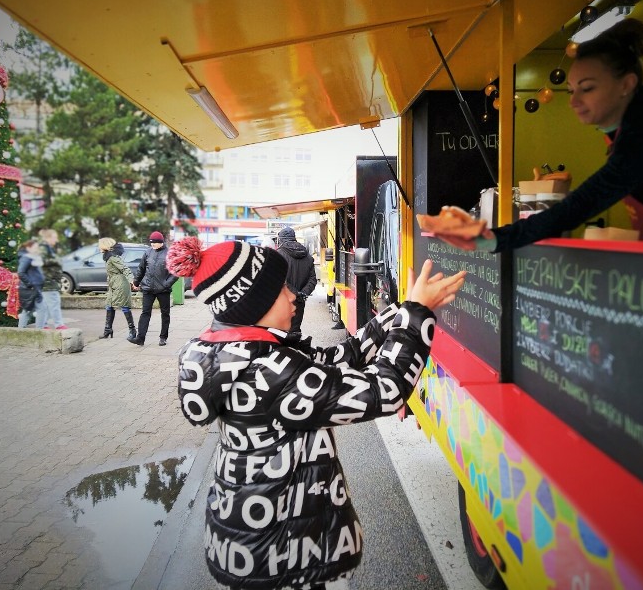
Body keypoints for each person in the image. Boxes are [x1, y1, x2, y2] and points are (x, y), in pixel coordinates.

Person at [166, 236, 466, 590]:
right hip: (287, 558)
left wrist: (400, 311)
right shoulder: (269, 373)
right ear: (252, 305)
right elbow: (386, 391)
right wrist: (417, 315)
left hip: (254, 545)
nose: (293, 295)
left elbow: (335, 360)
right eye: (280, 289)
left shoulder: (240, 354)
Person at [433, 18, 643, 253]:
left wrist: (492, 240)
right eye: (571, 89)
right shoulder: (632, 128)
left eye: (587, 88)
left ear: (626, 84)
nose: (574, 101)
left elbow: (582, 203)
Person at [128, 231, 177, 346]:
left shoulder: (169, 253)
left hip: (163, 290)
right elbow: (141, 269)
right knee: (145, 313)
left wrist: (166, 284)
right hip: (148, 288)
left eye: (155, 243)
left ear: (161, 242)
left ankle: (163, 337)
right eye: (151, 243)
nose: (152, 245)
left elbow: (176, 272)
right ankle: (140, 338)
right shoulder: (148, 252)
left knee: (165, 314)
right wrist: (136, 282)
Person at [275, 226, 317, 334]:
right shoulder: (307, 256)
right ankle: (295, 350)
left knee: (280, 333)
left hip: (282, 301)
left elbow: (278, 278)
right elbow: (313, 279)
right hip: (299, 302)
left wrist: (294, 293)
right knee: (295, 331)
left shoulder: (278, 255)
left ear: (281, 239)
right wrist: (303, 293)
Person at [97, 237, 137, 340]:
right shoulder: (107, 257)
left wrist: (132, 281)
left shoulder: (113, 257)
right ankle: (108, 330)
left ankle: (132, 331)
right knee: (109, 305)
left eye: (100, 246)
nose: (99, 248)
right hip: (113, 284)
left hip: (120, 284)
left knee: (124, 306)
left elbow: (124, 268)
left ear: (104, 246)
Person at [34, 229, 67, 330]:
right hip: (48, 281)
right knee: (54, 302)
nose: (56, 240)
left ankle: (43, 325)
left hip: (49, 280)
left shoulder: (48, 247)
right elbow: (42, 260)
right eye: (55, 237)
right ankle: (59, 324)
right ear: (48, 238)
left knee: (47, 305)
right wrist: (56, 260)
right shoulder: (43, 248)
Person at [16, 240, 44, 329]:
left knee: (27, 310)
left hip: (33, 288)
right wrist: (30, 284)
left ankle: (20, 330)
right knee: (41, 309)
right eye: (35, 247)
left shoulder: (32, 257)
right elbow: (21, 272)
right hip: (31, 289)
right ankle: (39, 331)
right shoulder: (26, 258)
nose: (37, 249)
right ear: (28, 248)